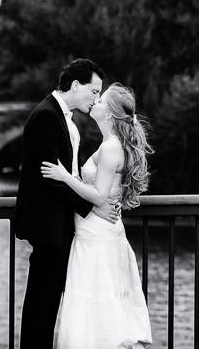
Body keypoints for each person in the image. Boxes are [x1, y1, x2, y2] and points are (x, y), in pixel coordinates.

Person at [13, 58, 118, 349]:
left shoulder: (62, 116)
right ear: (75, 85)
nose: (97, 98)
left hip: (58, 223)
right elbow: (50, 177)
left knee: (47, 303)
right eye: (94, 91)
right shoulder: (47, 116)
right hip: (48, 226)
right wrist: (93, 205)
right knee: (41, 304)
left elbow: (65, 173)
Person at [41, 82, 154, 349]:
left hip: (97, 234)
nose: (96, 103)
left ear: (111, 113)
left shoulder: (111, 147)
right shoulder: (108, 144)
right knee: (93, 302)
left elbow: (100, 196)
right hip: (95, 230)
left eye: (101, 101)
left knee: (95, 301)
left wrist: (64, 177)